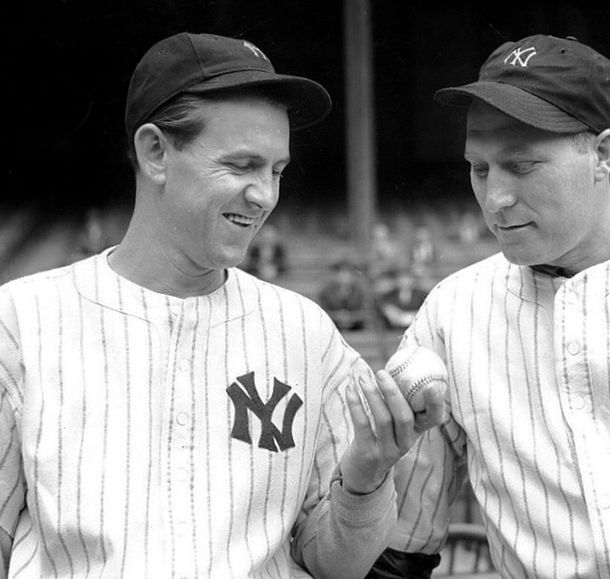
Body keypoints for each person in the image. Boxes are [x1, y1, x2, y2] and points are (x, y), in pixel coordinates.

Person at [0, 32, 446, 579]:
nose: (265, 195)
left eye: (276, 171)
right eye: (241, 166)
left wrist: (365, 478)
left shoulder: (305, 332)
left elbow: (334, 564)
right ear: (155, 152)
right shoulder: (21, 322)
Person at [371, 34, 610, 578]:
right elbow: (402, 547)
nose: (495, 199)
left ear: (603, 154)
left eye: (522, 166)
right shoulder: (451, 314)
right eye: (479, 169)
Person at [318, 258, 368, 331]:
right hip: (332, 327)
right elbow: (322, 312)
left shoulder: (359, 292)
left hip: (356, 328)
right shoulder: (326, 292)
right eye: (341, 273)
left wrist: (350, 317)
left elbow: (364, 312)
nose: (344, 276)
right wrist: (338, 316)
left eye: (348, 273)